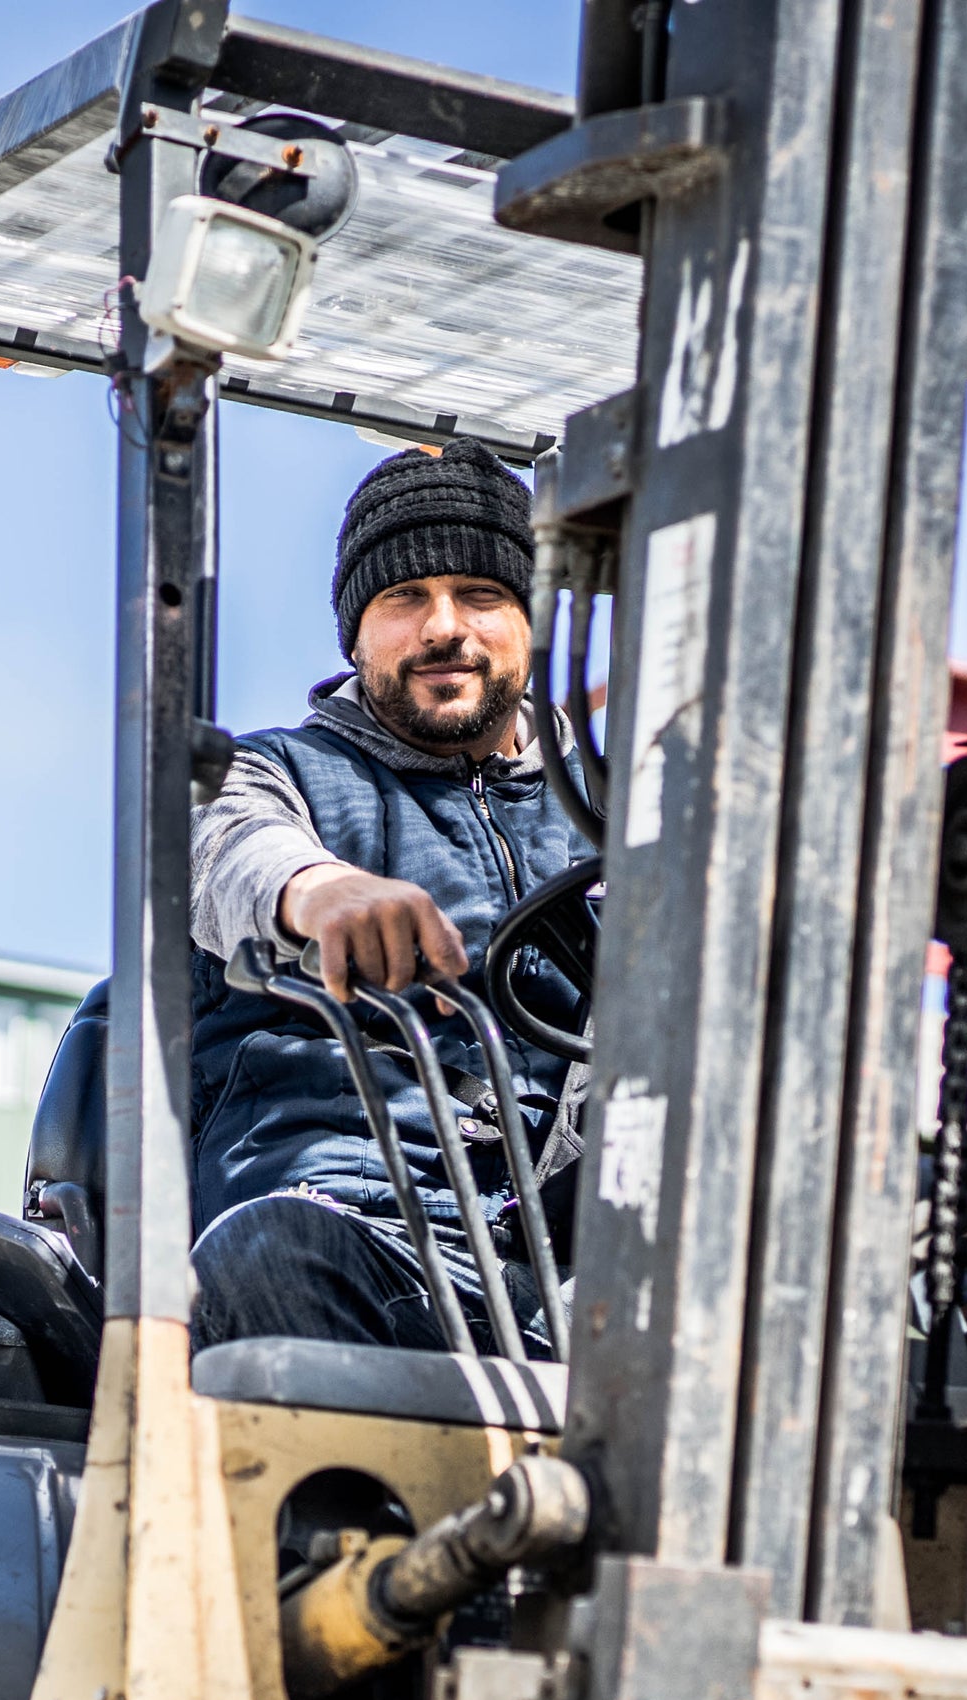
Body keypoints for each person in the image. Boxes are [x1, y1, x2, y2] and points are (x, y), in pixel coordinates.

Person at [185, 437, 589, 1359]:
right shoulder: (273, 773)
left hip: (562, 1252)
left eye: (481, 595)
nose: (444, 626)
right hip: (355, 1225)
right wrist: (320, 889)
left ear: (531, 619)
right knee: (273, 1255)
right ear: (357, 633)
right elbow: (226, 852)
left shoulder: (616, 807)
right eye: (406, 598)